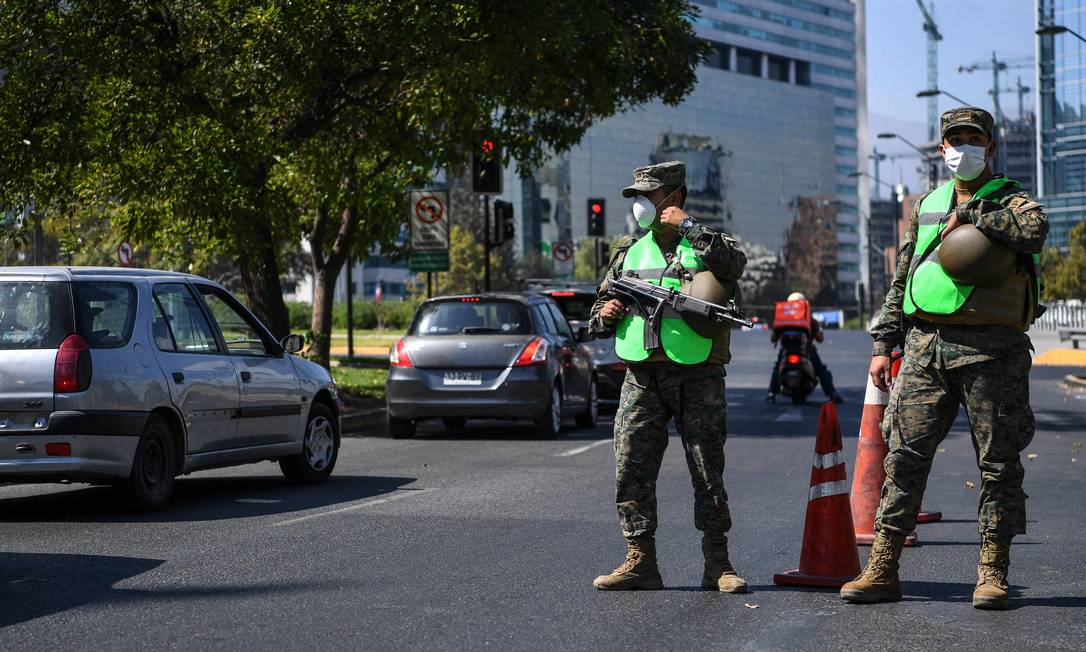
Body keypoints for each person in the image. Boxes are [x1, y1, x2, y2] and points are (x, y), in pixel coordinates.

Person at [840, 108, 1048, 610]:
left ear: (990, 147)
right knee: (903, 459)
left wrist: (974, 214)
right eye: (954, 140)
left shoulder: (1013, 200)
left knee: (998, 463)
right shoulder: (929, 203)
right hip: (924, 347)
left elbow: (1034, 232)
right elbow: (903, 277)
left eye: (973, 139)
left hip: (991, 352)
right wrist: (881, 344)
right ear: (942, 149)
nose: (963, 148)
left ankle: (992, 573)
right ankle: (882, 568)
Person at [588, 160, 748, 593]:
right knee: (631, 469)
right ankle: (640, 561)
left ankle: (718, 563)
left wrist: (690, 226)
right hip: (641, 377)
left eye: (648, 195)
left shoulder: (706, 242)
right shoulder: (628, 252)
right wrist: (606, 314)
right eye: (636, 197)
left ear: (673, 197)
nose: (640, 204)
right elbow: (596, 314)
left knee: (706, 470)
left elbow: (735, 264)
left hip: (697, 375)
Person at [766, 291, 843, 404]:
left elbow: (773, 338)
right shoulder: (809, 320)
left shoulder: (783, 319)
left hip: (785, 351)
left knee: (777, 368)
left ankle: (771, 394)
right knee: (820, 369)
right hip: (807, 351)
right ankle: (832, 394)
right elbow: (819, 339)